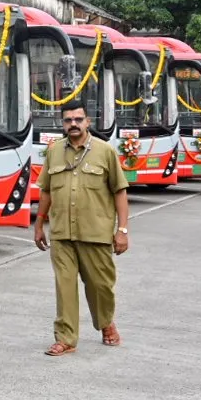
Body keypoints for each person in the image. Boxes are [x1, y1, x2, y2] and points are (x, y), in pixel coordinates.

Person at [33, 99, 130, 356]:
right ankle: (65, 338)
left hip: (95, 233)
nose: (73, 124)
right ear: (62, 124)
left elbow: (120, 191)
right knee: (64, 285)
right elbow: (46, 190)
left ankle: (106, 323)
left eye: (78, 119)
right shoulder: (54, 151)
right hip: (62, 233)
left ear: (88, 122)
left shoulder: (104, 151)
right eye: (68, 120)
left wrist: (122, 230)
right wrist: (39, 223)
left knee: (100, 285)